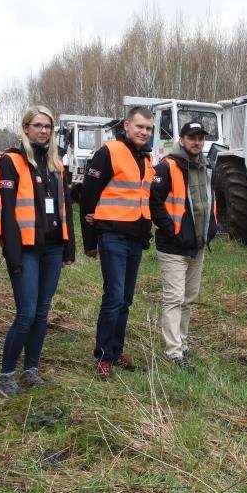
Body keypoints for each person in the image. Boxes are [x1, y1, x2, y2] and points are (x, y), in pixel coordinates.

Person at [0, 106, 76, 396]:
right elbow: (6, 213)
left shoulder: (56, 163)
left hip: (52, 248)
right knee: (26, 314)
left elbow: (65, 209)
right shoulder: (11, 161)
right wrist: (12, 253)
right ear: (26, 128)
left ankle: (31, 370)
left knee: (42, 313)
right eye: (38, 125)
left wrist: (69, 247)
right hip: (26, 250)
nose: (44, 131)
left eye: (48, 126)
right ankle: (6, 375)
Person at [81, 106, 155, 379]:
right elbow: (88, 198)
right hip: (112, 235)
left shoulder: (146, 159)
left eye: (148, 128)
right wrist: (90, 242)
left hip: (135, 239)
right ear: (126, 126)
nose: (144, 132)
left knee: (125, 299)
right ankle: (103, 356)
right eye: (140, 127)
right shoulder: (108, 152)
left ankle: (116, 349)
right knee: (113, 297)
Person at [149, 121, 219, 371]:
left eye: (200, 138)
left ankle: (182, 344)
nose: (197, 142)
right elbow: (154, 203)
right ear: (182, 140)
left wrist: (212, 228)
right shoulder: (167, 166)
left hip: (198, 246)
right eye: (192, 138)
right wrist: (172, 231)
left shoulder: (206, 166)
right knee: (174, 298)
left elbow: (210, 200)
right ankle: (174, 352)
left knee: (189, 298)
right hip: (173, 247)